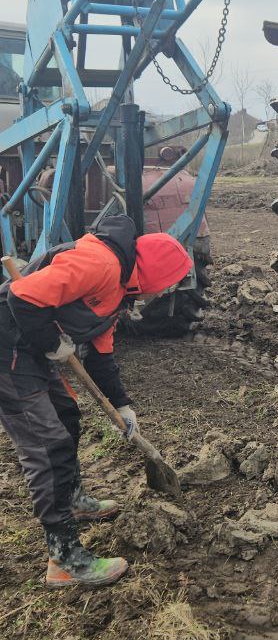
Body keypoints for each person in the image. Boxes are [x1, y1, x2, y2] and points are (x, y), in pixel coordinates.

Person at [0, 214, 192, 588]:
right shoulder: (99, 264)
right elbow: (22, 298)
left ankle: (70, 498)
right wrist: (53, 345)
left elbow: (100, 355)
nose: (163, 294)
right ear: (155, 273)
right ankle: (65, 560)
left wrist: (122, 404)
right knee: (49, 446)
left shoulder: (122, 287)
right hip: (6, 350)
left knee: (68, 415)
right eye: (166, 286)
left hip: (29, 349)